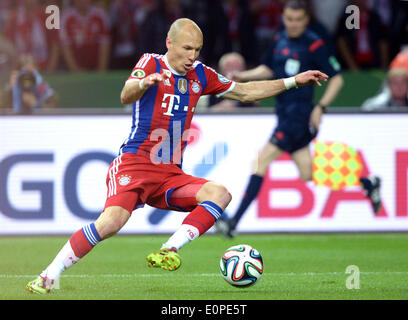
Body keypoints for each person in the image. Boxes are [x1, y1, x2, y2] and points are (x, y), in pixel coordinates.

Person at [25, 17, 328, 294]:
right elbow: (126, 93)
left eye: (197, 49)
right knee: (112, 222)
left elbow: (245, 92)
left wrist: (292, 82)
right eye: (186, 49)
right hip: (136, 162)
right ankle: (49, 275)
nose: (192, 56)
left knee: (220, 194)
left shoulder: (200, 74)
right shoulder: (151, 62)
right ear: (169, 43)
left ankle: (169, 249)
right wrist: (144, 83)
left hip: (170, 174)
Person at [215, 0, 381, 239]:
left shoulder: (314, 44)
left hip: (298, 117)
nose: (293, 24)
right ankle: (367, 183)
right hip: (284, 114)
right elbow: (269, 69)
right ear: (284, 18)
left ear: (306, 19)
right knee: (308, 173)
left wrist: (320, 107)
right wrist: (242, 76)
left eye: (298, 20)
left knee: (261, 162)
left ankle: (233, 223)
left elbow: (337, 79)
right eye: (289, 19)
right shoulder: (279, 39)